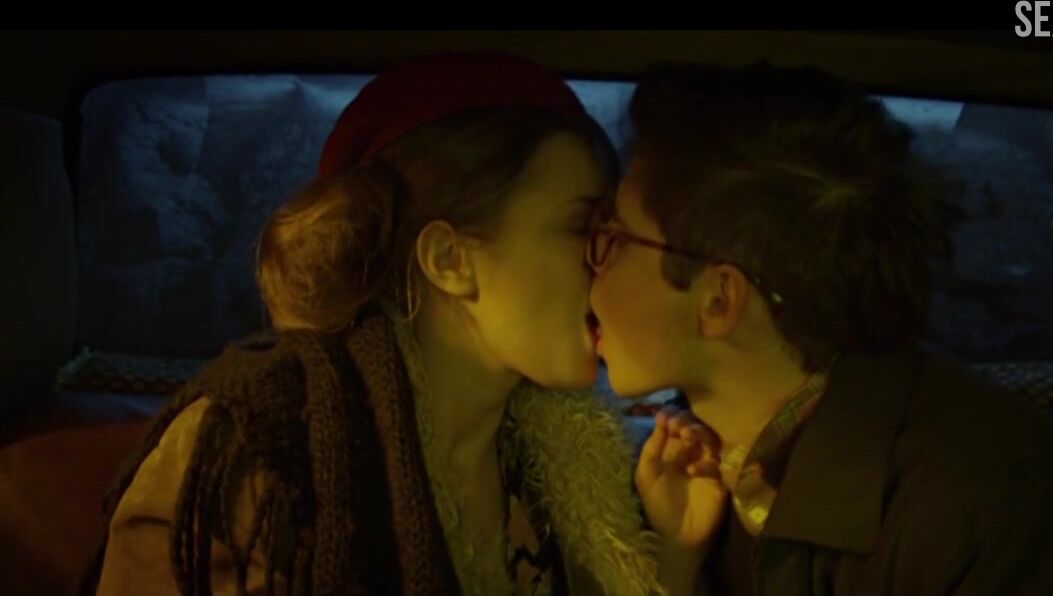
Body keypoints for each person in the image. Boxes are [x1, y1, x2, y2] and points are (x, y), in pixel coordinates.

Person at [81, 50, 714, 596]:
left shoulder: (565, 474)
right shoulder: (255, 453)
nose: (606, 267)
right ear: (450, 260)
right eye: (580, 228)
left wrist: (673, 554)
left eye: (611, 235)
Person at [587, 60, 1053, 595]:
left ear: (718, 301)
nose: (591, 263)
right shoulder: (721, 464)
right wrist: (677, 562)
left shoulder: (982, 512)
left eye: (618, 240)